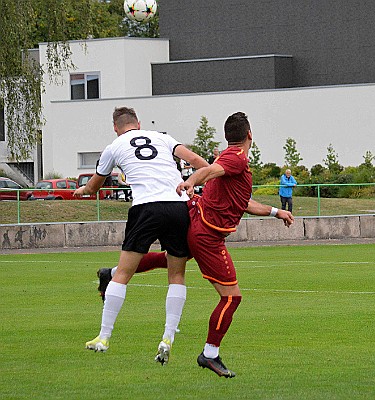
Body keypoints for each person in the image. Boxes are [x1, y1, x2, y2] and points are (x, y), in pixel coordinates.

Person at [73, 106, 208, 365]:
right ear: (139, 123)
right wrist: (198, 181)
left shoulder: (114, 147)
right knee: (177, 274)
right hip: (176, 204)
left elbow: (94, 186)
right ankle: (168, 336)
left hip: (146, 207)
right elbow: (198, 162)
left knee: (122, 274)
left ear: (116, 127)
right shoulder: (163, 137)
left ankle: (103, 337)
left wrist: (82, 191)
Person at [176, 112, 294, 378]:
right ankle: (210, 354)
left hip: (198, 223)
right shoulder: (236, 157)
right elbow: (209, 171)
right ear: (249, 134)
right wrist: (192, 180)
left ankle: (113, 274)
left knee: (172, 259)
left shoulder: (231, 161)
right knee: (232, 297)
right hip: (207, 234)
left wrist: (277, 212)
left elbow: (245, 203)